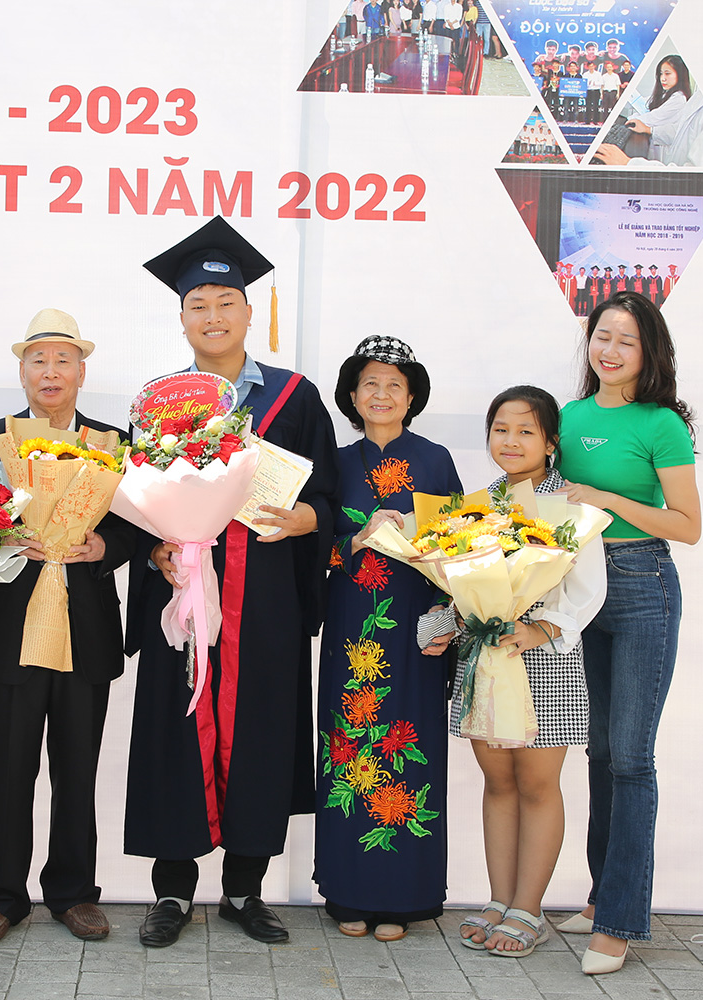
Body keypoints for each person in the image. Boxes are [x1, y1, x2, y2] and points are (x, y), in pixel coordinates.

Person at [126, 216, 338, 948]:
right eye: (198, 305)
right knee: (176, 733)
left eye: (225, 303)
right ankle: (172, 894)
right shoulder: (159, 402)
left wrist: (304, 519)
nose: (212, 316)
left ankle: (245, 889)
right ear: (181, 317)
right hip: (186, 600)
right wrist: (156, 549)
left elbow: (330, 498)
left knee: (260, 735)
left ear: (250, 312)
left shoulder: (294, 398)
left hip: (265, 601)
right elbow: (135, 499)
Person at [0, 309, 137, 947]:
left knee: (77, 769)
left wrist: (104, 546)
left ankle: (73, 893)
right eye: (39, 360)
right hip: (11, 633)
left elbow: (138, 523)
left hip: (85, 631)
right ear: (22, 372)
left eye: (64, 360)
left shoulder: (111, 444)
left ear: (82, 372)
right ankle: (1, 896)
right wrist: (0, 538)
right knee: (6, 770)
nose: (51, 371)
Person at [554, 292, 701, 975]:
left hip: (643, 587)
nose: (609, 350)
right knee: (600, 750)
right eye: (601, 336)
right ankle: (600, 895)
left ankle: (619, 921)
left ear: (649, 353)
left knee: (632, 758)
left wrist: (609, 499)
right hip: (581, 589)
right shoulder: (568, 417)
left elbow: (688, 526)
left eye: (626, 341)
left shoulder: (662, 424)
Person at [443, 386, 605, 958]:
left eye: (526, 431)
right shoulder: (473, 506)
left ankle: (528, 908)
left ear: (551, 442)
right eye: (501, 430)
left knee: (537, 785)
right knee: (499, 783)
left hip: (546, 660)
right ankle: (498, 899)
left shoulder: (571, 505)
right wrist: (454, 620)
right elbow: (457, 580)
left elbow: (589, 588)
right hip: (486, 656)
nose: (511, 441)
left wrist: (541, 629)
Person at [315, 336, 461, 941]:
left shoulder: (435, 461)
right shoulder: (333, 462)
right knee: (348, 749)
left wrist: (450, 615)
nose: (381, 394)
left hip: (417, 632)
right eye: (370, 384)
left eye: (394, 385)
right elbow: (310, 547)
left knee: (410, 747)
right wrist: (356, 539)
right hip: (351, 630)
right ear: (352, 396)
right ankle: (347, 892)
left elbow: (464, 545)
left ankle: (403, 897)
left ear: (411, 397)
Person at [595, 55, 691, 165]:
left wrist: (632, 119)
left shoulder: (679, 99)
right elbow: (644, 105)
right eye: (661, 74)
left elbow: (654, 117)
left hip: (664, 152)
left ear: (680, 75)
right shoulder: (665, 94)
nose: (663, 78)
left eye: (667, 73)